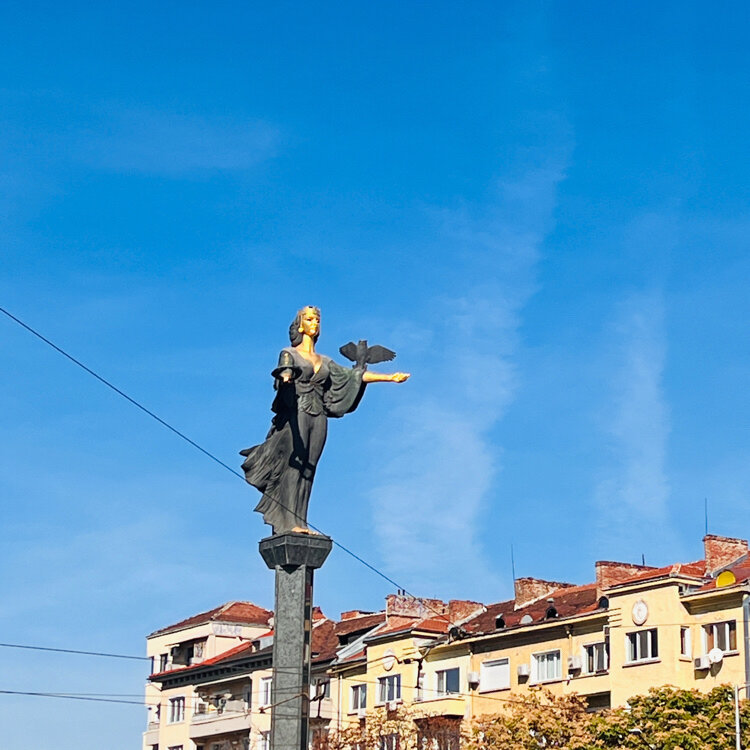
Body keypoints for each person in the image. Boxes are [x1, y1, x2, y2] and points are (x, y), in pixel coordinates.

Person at [241, 306, 409, 535]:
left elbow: (354, 376)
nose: (315, 323)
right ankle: (287, 522)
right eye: (310, 319)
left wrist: (389, 378)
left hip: (318, 414)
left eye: (317, 320)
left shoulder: (325, 360)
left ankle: (301, 521)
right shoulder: (289, 353)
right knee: (295, 465)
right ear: (300, 324)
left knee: (309, 468)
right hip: (297, 412)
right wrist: (286, 377)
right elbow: (284, 371)